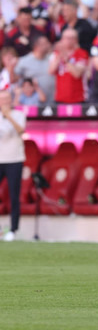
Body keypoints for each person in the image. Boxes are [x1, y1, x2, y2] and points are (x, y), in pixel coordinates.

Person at [0, 90, 26, 242]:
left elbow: (20, 130)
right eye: (1, 99)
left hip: (15, 160)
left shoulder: (18, 115)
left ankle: (13, 229)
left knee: (14, 196)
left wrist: (8, 115)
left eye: (6, 98)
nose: (4, 101)